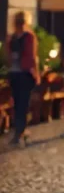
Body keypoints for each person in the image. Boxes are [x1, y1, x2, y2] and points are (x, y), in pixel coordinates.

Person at [5, 12, 39, 146]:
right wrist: (37, 73)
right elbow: (32, 57)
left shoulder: (11, 37)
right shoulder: (29, 36)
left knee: (17, 102)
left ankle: (19, 131)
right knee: (23, 103)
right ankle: (20, 131)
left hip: (14, 73)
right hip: (25, 73)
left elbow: (7, 56)